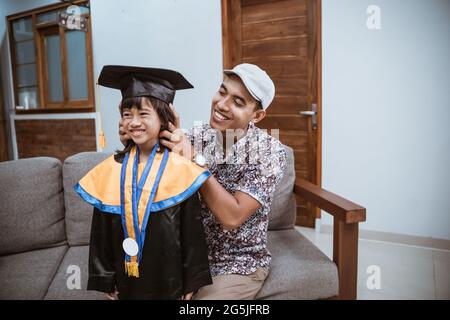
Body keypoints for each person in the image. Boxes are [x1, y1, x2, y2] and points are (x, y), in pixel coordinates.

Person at [119, 63, 287, 299]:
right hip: (187, 255)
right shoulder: (199, 134)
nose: (222, 104)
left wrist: (194, 160)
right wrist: (136, 128)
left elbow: (232, 217)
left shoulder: (268, 152)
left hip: (237, 263)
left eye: (238, 102)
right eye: (222, 92)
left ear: (257, 116)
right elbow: (155, 155)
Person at [75, 65, 212, 300]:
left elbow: (192, 232)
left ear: (163, 119)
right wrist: (105, 278)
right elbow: (101, 232)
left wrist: (192, 281)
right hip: (127, 279)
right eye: (127, 114)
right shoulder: (110, 170)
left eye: (143, 114)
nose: (134, 122)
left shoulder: (180, 170)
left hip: (170, 277)